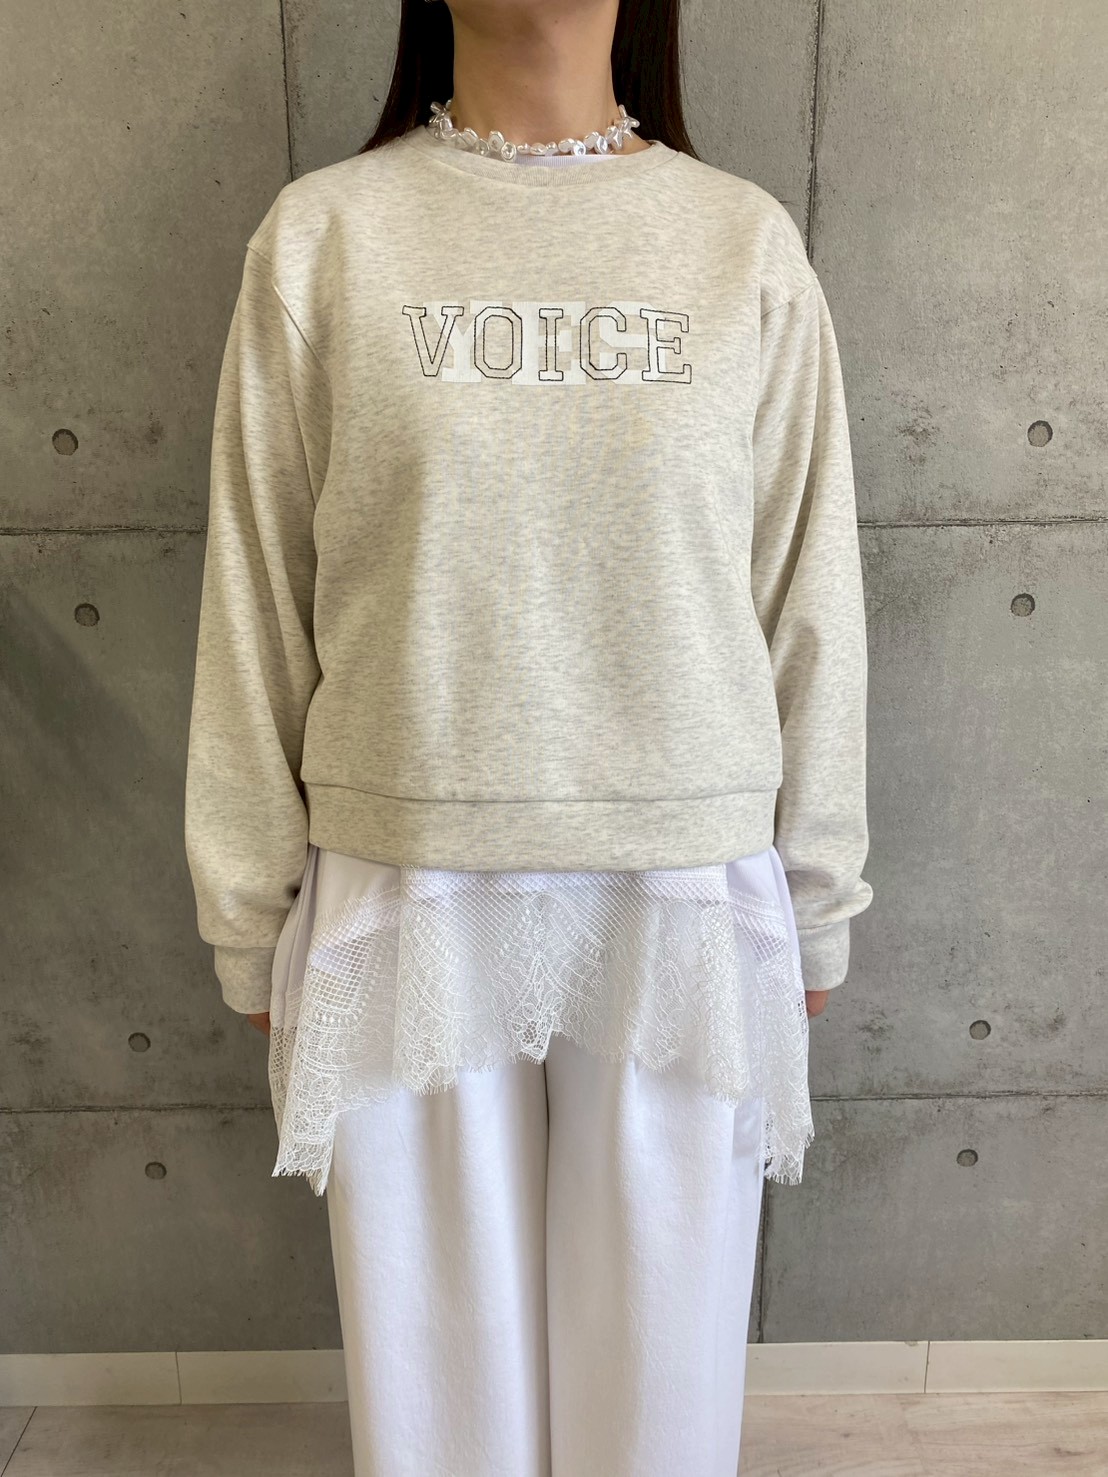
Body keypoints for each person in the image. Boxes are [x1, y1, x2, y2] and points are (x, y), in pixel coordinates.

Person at [183, 0, 873, 1470]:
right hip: (407, 866)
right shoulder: (326, 239)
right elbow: (255, 596)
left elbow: (806, 592)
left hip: (683, 879)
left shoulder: (741, 245)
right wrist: (247, 907)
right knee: (437, 1402)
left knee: (660, 1399)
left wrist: (818, 892)